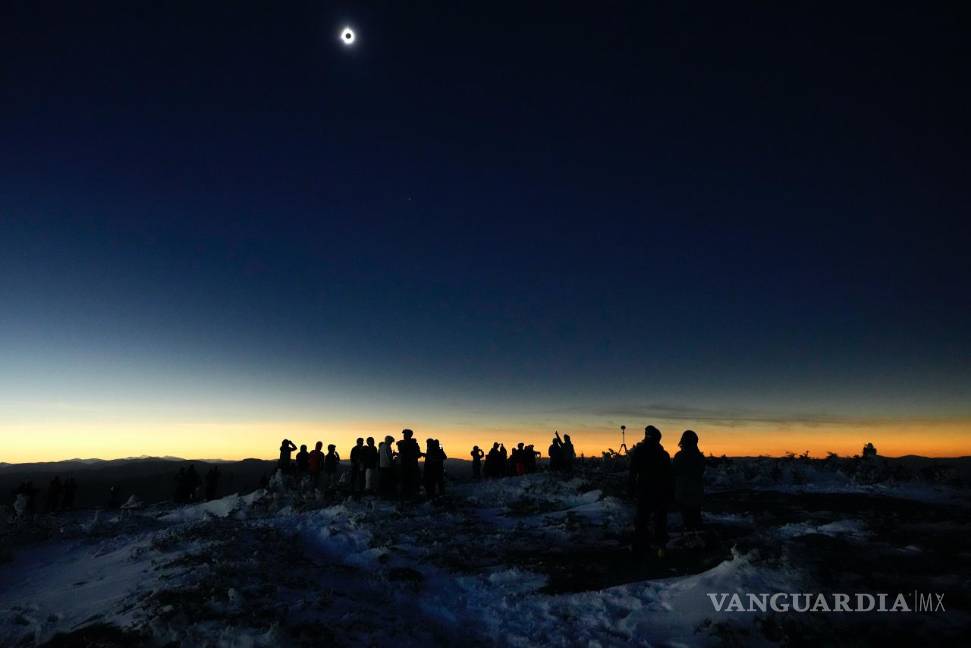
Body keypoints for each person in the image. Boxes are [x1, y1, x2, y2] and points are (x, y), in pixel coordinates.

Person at [628, 425, 672, 553]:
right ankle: (659, 545)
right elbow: (669, 475)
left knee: (643, 519)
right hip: (659, 491)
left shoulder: (639, 452)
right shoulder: (663, 454)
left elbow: (632, 472)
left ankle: (641, 545)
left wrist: (631, 489)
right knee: (659, 519)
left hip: (645, 490)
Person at [672, 430, 705, 531]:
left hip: (683, 492)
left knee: (687, 519)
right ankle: (696, 538)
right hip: (696, 492)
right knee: (696, 517)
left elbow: (674, 472)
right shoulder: (700, 457)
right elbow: (700, 472)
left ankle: (690, 538)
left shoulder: (679, 456)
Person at [396, 429, 422, 498]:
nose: (404, 436)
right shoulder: (413, 444)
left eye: (405, 434)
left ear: (409, 435)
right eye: (404, 434)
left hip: (409, 465)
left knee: (408, 481)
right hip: (408, 465)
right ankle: (408, 495)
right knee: (407, 481)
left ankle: (408, 495)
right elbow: (418, 454)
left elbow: (402, 451)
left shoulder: (410, 444)